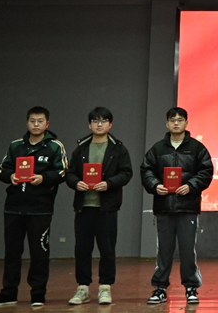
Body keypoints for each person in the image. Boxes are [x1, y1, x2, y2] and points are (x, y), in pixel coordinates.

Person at [0, 106, 68, 308]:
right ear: (27, 123)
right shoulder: (16, 146)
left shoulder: (54, 146)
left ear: (47, 124)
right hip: (14, 207)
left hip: (40, 208)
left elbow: (63, 171)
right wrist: (11, 176)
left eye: (40, 121)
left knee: (39, 253)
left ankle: (38, 292)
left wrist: (43, 178)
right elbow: (2, 170)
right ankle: (8, 292)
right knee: (12, 252)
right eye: (32, 121)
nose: (36, 125)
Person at [140, 107, 213, 305]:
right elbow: (146, 171)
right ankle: (160, 288)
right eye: (172, 120)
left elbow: (206, 171)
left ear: (186, 123)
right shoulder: (157, 149)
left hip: (187, 207)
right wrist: (155, 185)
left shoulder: (197, 148)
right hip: (164, 206)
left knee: (188, 250)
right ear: (167, 123)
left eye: (180, 120)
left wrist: (191, 186)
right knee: (164, 250)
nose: (176, 123)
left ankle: (191, 287)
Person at [64, 107, 133, 305]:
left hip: (107, 208)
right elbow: (69, 173)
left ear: (110, 124)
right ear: (89, 125)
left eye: (103, 121)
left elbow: (126, 173)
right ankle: (83, 288)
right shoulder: (81, 148)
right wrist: (76, 183)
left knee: (107, 249)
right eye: (95, 121)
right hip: (84, 206)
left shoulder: (118, 148)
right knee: (82, 249)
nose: (99, 124)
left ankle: (105, 287)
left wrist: (109, 183)